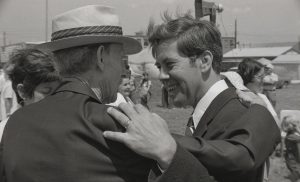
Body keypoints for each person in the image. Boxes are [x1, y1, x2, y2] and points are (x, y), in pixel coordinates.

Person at [103, 12, 281, 182]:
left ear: (204, 61)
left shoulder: (236, 115)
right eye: (159, 67)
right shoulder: (216, 109)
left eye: (170, 64)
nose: (162, 75)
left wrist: (166, 147)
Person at [0, 5, 153, 182]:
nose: (122, 70)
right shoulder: (116, 126)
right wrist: (170, 150)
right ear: (101, 57)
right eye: (120, 58)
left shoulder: (15, 123)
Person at [0, 48, 61, 142]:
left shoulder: (62, 128)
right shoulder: (4, 133)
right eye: (46, 91)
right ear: (22, 91)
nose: (56, 98)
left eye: (59, 91)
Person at [237, 58, 280, 127]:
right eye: (260, 77)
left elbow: (277, 124)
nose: (263, 81)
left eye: (264, 77)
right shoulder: (235, 99)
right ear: (248, 77)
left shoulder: (262, 97)